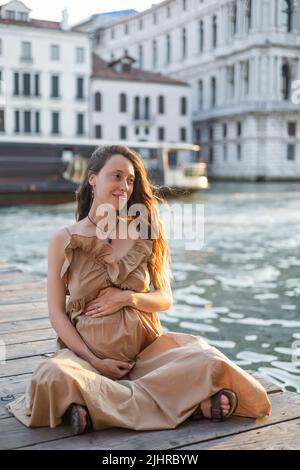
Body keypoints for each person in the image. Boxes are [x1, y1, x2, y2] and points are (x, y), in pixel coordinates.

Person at [7, 145, 271, 434]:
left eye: (130, 180)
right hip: (88, 359)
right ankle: (190, 406)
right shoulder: (64, 238)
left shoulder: (145, 232)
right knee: (53, 376)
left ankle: (96, 407)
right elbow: (57, 314)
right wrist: (95, 360)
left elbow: (164, 298)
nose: (124, 187)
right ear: (92, 180)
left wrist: (127, 298)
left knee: (207, 359)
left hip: (147, 355)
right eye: (116, 176)